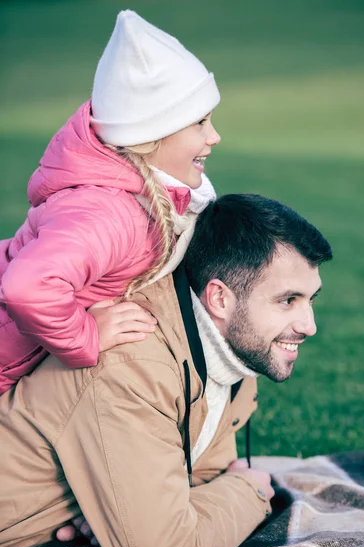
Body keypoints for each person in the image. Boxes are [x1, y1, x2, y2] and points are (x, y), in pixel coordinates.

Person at [0, 193, 332, 547]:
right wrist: (252, 491)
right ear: (219, 299)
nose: (309, 326)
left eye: (310, 300)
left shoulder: (231, 359)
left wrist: (141, 522)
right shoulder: (133, 363)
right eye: (288, 300)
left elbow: (201, 482)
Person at [0, 10, 221, 394]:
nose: (214, 136)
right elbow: (28, 287)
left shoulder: (141, 195)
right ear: (152, 136)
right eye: (200, 123)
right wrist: (86, 335)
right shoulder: (110, 212)